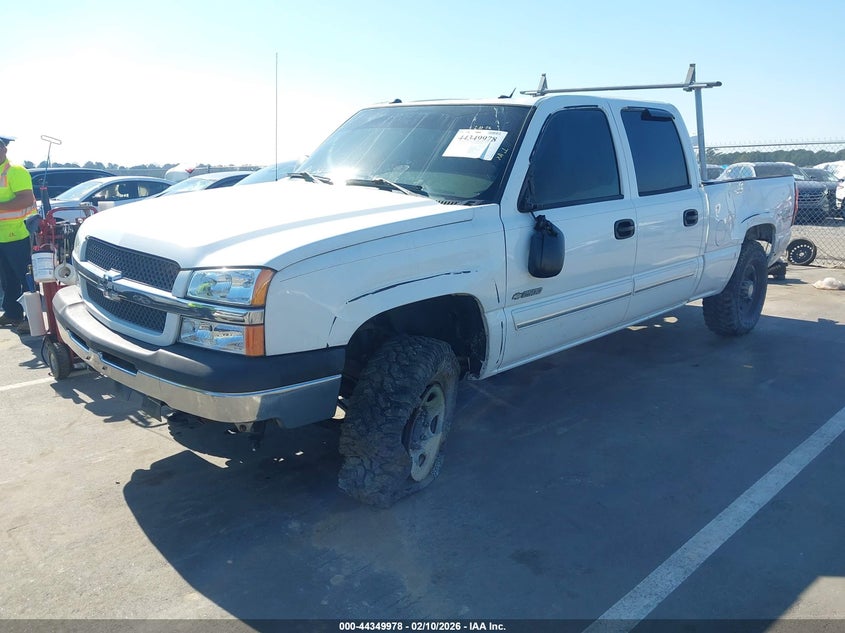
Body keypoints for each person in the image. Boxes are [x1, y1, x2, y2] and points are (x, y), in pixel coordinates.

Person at [0, 135, 37, 333]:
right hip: (2, 237)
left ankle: (33, 319)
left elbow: (25, 200)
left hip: (18, 234)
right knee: (8, 280)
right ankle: (13, 313)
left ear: (4, 149)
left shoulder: (15, 171)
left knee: (26, 278)